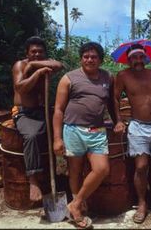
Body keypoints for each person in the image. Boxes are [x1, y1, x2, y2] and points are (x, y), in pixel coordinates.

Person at [52, 42, 115, 229]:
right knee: (75, 170)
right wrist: (57, 138)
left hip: (97, 130)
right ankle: (77, 208)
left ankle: (75, 202)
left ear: (100, 60)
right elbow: (58, 109)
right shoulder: (69, 78)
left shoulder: (108, 77)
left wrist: (117, 120)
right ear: (81, 58)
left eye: (94, 57)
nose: (90, 59)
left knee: (102, 169)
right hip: (72, 129)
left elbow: (113, 102)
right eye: (86, 56)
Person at [113, 43, 151, 224]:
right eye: (134, 58)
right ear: (129, 60)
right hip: (138, 126)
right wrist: (118, 120)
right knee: (141, 166)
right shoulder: (123, 76)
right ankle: (141, 202)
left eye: (141, 57)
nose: (138, 61)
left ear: (145, 58)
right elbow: (114, 98)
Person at [12, 36, 63, 202]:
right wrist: (38, 73)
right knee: (32, 136)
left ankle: (66, 176)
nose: (36, 54)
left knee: (69, 127)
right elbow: (21, 87)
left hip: (42, 111)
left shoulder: (44, 63)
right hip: (24, 112)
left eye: (40, 52)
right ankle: (33, 181)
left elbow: (59, 65)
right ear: (27, 53)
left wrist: (35, 65)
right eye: (33, 52)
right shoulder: (20, 65)